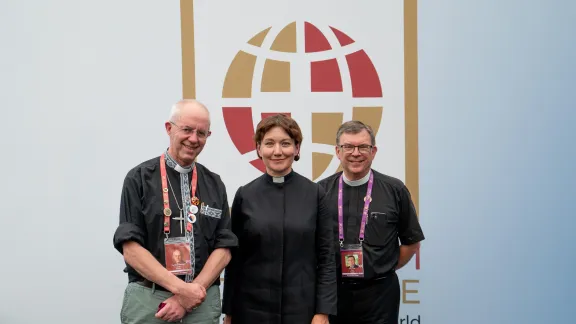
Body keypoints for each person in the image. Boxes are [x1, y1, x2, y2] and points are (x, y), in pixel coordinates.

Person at [113, 99, 238, 324]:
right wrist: (181, 291)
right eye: (187, 129)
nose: (193, 138)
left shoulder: (215, 184)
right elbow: (130, 249)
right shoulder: (139, 178)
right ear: (169, 128)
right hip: (150, 300)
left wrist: (189, 295)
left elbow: (224, 248)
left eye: (201, 133)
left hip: (201, 301)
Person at [222, 114, 337, 324]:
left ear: (297, 148)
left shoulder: (315, 194)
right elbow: (234, 260)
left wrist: (323, 312)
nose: (277, 151)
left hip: (303, 310)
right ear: (258, 149)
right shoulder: (245, 195)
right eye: (269, 144)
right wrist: (229, 311)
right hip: (251, 310)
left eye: (285, 143)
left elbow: (327, 258)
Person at [317, 120, 425, 324]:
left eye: (363, 147)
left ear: (373, 151)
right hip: (333, 294)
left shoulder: (395, 190)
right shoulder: (319, 192)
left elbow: (411, 243)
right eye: (348, 146)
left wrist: (381, 267)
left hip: (380, 295)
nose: (355, 153)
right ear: (338, 151)